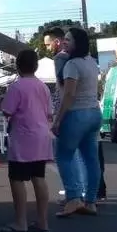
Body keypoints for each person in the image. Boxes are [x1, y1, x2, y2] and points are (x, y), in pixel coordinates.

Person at [45, 26, 107, 202]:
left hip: (76, 114)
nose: (64, 42)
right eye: (64, 39)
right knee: (91, 159)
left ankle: (73, 199)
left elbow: (69, 94)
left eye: (68, 39)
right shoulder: (91, 63)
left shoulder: (71, 65)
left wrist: (57, 121)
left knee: (63, 156)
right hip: (95, 113)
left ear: (77, 43)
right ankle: (91, 201)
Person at [0, 48, 53, 232]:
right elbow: (49, 112)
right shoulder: (43, 87)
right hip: (41, 137)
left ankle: (20, 222)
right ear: (36, 66)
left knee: (17, 179)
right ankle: (43, 222)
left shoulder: (16, 87)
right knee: (39, 177)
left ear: (18, 66)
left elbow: (7, 111)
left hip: (23, 138)